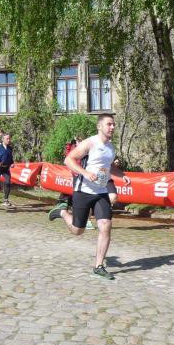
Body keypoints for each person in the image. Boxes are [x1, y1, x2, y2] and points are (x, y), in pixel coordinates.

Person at [47, 114, 131, 280]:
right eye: (109, 124)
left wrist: (122, 175)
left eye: (113, 124)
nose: (112, 127)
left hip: (101, 192)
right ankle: (62, 212)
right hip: (83, 191)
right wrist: (85, 173)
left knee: (105, 225)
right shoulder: (90, 143)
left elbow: (108, 167)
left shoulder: (111, 147)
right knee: (78, 230)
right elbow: (68, 160)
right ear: (99, 126)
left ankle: (99, 266)